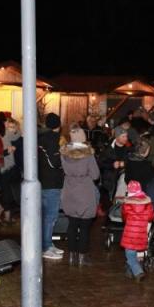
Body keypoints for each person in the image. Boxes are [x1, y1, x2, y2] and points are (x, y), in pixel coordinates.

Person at [61, 126, 100, 266]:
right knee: (84, 227)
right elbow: (95, 175)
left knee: (72, 224)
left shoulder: (64, 153)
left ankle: (71, 256)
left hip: (69, 190)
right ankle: (82, 256)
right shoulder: (88, 154)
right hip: (84, 191)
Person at [40, 113, 65, 261]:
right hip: (52, 182)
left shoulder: (40, 138)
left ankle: (48, 243)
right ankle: (46, 246)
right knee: (51, 216)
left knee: (45, 216)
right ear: (58, 125)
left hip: (42, 181)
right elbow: (55, 162)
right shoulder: (54, 139)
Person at [120, 180, 154, 282]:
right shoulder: (148, 204)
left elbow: (124, 217)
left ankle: (138, 272)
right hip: (141, 232)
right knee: (134, 253)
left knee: (130, 255)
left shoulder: (127, 205)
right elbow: (151, 217)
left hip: (130, 234)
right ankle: (129, 271)